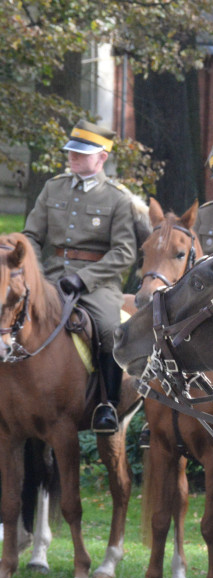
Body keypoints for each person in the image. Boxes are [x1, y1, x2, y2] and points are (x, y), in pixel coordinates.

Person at [23, 120, 137, 433]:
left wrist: (84, 279)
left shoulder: (117, 198)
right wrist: (36, 273)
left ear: (101, 157)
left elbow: (124, 253)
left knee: (110, 327)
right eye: (71, 151)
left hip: (97, 284)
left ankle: (108, 405)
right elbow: (31, 235)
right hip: (50, 276)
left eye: (80, 153)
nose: (72, 156)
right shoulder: (53, 187)